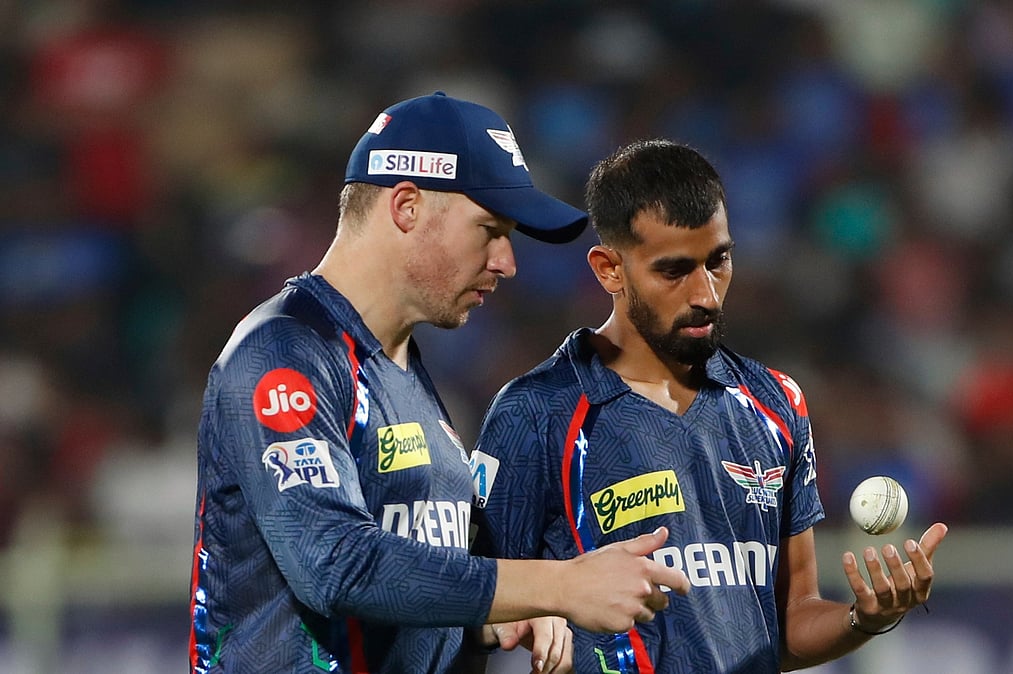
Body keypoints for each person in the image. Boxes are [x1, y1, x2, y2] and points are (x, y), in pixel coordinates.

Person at [189, 93, 690, 674]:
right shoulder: (285, 351)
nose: (507, 262)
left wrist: (506, 608)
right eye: (489, 230)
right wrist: (555, 585)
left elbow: (409, 592)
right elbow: (334, 564)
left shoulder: (402, 370)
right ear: (406, 205)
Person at [470, 139, 949, 673]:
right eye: (674, 270)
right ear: (609, 269)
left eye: (718, 261)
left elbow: (789, 623)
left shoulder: (776, 403)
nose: (706, 294)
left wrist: (867, 618)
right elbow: (473, 607)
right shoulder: (536, 413)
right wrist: (539, 608)